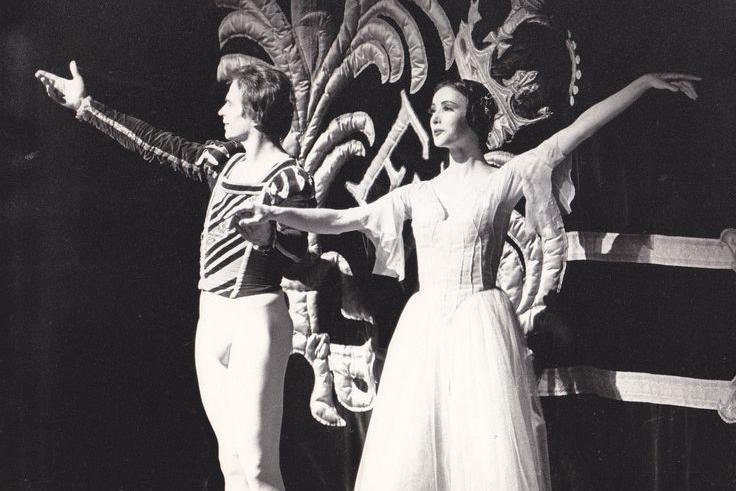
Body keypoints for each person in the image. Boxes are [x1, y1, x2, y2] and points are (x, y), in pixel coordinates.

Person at [229, 73, 699, 490]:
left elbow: (570, 137)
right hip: (426, 328)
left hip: (480, 325)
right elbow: (341, 218)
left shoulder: (503, 179)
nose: (435, 119)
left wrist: (640, 84)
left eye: (447, 109)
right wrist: (273, 213)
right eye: (432, 111)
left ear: (473, 116)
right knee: (414, 448)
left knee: (483, 452)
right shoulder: (418, 192)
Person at [35, 61, 316, 491]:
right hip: (213, 319)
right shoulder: (221, 162)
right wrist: (83, 106)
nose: (222, 110)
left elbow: (299, 253)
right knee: (232, 464)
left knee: (259, 466)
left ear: (256, 112)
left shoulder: (289, 177)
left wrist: (268, 236)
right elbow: (153, 144)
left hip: (256, 317)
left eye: (231, 103)